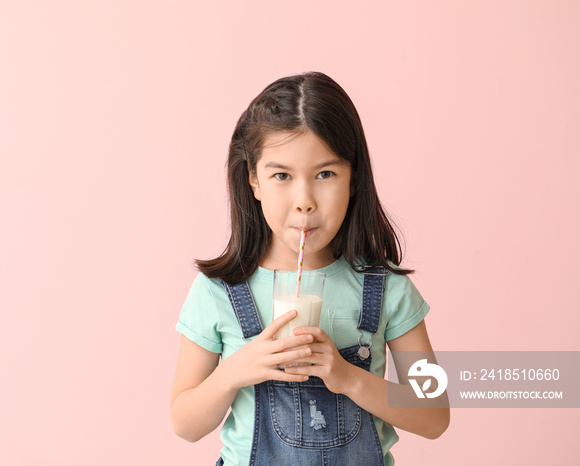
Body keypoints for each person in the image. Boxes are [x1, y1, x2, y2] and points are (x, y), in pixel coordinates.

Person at [170, 71, 449, 466]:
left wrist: (349, 377)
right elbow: (185, 423)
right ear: (253, 180)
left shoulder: (386, 289)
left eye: (325, 174)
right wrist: (236, 370)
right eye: (281, 176)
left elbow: (434, 414)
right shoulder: (219, 290)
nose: (304, 201)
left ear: (354, 178)